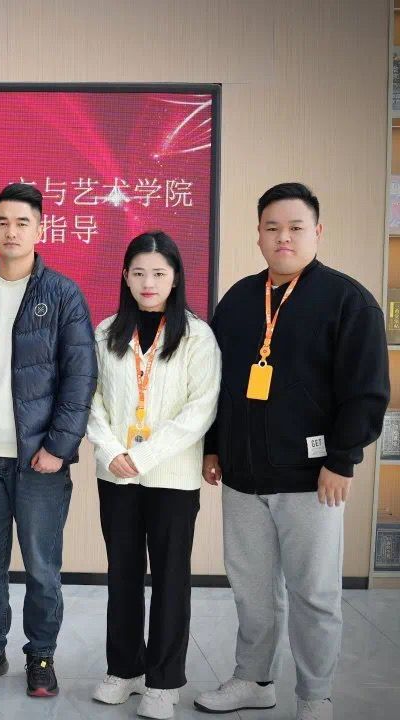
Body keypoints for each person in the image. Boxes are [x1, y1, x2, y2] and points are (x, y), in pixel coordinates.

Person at [194, 183, 389, 720]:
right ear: (258, 235)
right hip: (242, 477)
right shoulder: (238, 300)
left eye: (296, 227)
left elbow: (366, 391)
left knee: (314, 595)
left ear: (317, 232)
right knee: (252, 590)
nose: (284, 237)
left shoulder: (348, 301)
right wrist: (214, 447)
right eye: (272, 228)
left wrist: (342, 461)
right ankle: (254, 679)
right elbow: (216, 384)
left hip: (313, 479)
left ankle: (314, 695)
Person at [0, 182, 97, 697]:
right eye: (2, 222)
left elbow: (80, 378)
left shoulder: (63, 294)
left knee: (42, 568)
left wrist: (59, 446)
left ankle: (41, 656)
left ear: (40, 229)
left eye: (22, 223)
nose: (11, 232)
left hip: (40, 461)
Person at [86, 231, 220, 719]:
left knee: (169, 578)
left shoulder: (197, 335)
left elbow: (200, 409)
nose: (148, 282)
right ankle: (124, 670)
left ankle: (163, 682)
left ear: (175, 277)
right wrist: (112, 450)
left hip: (173, 478)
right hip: (116, 474)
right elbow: (90, 399)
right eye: (139, 272)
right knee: (122, 574)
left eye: (159, 273)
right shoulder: (105, 332)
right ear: (125, 276)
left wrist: (143, 456)